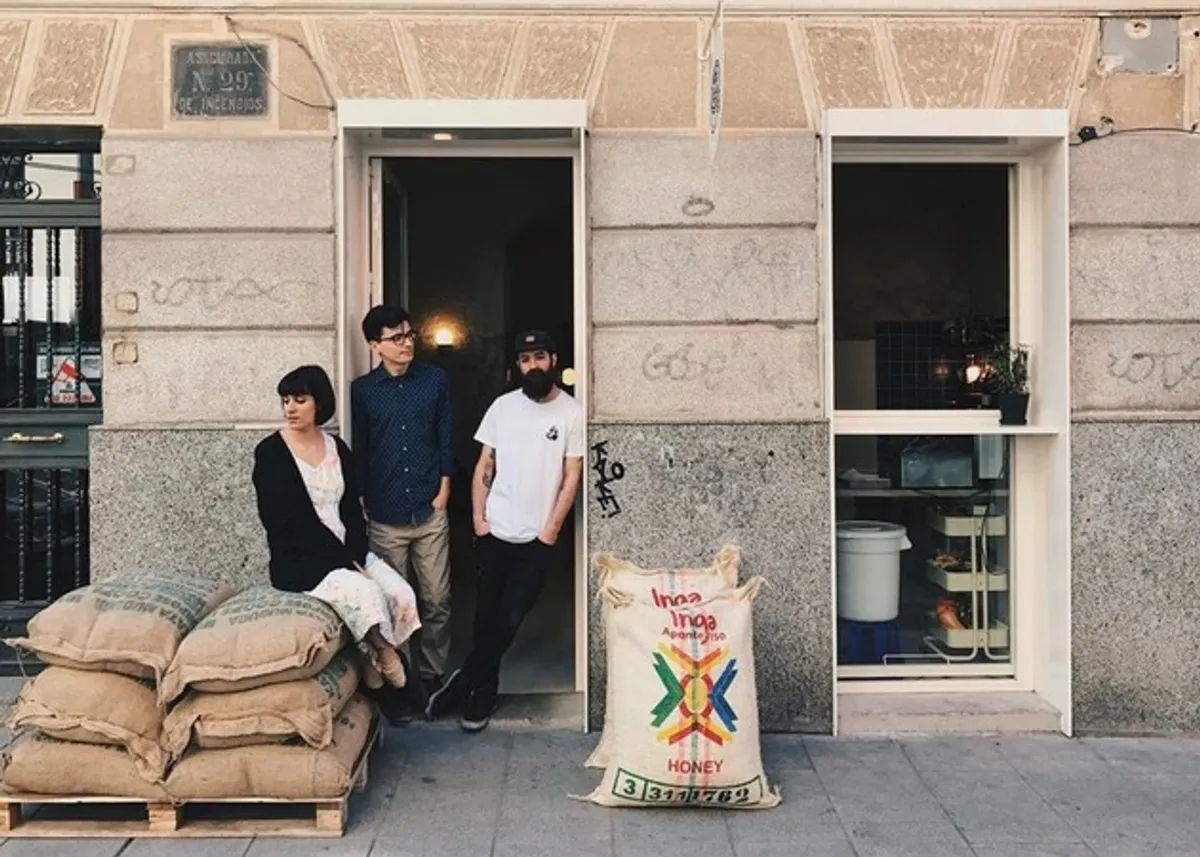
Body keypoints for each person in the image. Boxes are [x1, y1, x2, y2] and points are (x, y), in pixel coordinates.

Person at [426, 330, 583, 732]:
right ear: (518, 366)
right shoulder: (502, 407)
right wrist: (479, 520)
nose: (533, 366)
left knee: (510, 619)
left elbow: (572, 474)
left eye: (539, 357)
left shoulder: (571, 412)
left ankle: (465, 679)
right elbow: (485, 464)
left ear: (553, 359)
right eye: (525, 359)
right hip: (494, 530)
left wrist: (551, 531)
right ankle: (483, 692)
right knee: (485, 618)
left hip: (537, 538)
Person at [251, 364, 423, 712]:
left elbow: (352, 511)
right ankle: (389, 660)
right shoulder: (271, 453)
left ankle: (372, 668)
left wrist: (357, 556)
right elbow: (284, 523)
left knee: (401, 594)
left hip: (350, 552)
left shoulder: (336, 447)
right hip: (303, 560)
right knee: (365, 593)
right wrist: (345, 563)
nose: (290, 408)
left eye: (300, 400)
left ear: (319, 402)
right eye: (285, 400)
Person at [351, 306, 454, 708]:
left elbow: (445, 436)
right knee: (395, 602)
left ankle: (433, 673)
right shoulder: (364, 391)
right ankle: (404, 679)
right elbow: (362, 448)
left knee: (437, 598)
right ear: (375, 346)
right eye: (396, 338)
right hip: (385, 511)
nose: (407, 343)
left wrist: (444, 490)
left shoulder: (434, 380)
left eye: (410, 335)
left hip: (429, 506)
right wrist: (362, 501)